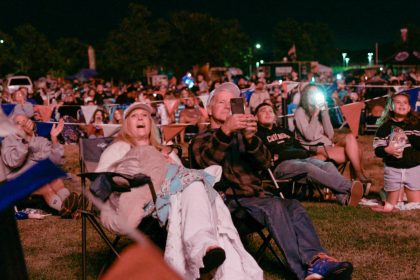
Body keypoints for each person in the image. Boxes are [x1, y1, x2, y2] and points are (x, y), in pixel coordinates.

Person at [192, 82, 353, 280]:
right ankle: (303, 271)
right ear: (209, 109)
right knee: (274, 206)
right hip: (229, 204)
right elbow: (206, 161)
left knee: (294, 206)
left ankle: (316, 259)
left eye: (231, 102)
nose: (227, 106)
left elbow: (266, 162)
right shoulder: (201, 139)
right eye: (221, 102)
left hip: (256, 197)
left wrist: (251, 139)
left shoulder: (243, 137)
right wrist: (225, 131)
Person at [95, 103, 263, 280]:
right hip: (146, 202)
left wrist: (170, 163)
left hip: (177, 196)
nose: (140, 118)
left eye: (144, 116)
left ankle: (206, 247)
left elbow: (183, 175)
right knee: (195, 185)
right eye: (134, 115)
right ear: (126, 124)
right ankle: (201, 248)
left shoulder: (165, 148)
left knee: (196, 185)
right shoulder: (118, 148)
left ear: (151, 123)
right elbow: (101, 181)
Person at [254, 102, 363, 206]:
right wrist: (280, 156)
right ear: (255, 117)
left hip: (301, 159)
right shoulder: (256, 135)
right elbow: (264, 156)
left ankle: (344, 198)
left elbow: (298, 146)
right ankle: (349, 187)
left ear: (275, 116)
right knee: (308, 167)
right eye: (263, 111)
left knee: (327, 165)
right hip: (281, 165)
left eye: (270, 111)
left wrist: (309, 155)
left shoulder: (285, 131)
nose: (268, 113)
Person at [294, 84, 372, 188]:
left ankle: (357, 181)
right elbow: (309, 136)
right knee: (356, 152)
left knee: (350, 137)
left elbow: (330, 134)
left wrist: (324, 112)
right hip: (313, 148)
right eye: (311, 93)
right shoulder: (300, 112)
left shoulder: (319, 110)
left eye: (316, 94)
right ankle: (358, 178)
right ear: (305, 96)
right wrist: (315, 115)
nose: (313, 96)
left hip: (328, 145)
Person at [1, 114, 78, 216]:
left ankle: (70, 205)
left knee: (56, 180)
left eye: (25, 121)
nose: (23, 125)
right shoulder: (8, 141)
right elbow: (13, 162)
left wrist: (54, 139)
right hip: (18, 181)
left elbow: (56, 161)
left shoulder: (39, 140)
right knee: (44, 186)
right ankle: (67, 210)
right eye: (19, 123)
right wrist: (25, 140)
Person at [372, 92, 420, 212]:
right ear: (391, 107)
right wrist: (387, 150)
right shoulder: (385, 127)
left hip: (413, 168)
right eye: (397, 102)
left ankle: (401, 193)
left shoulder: (416, 125)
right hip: (393, 168)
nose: (401, 105)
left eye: (405, 103)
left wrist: (408, 135)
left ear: (409, 107)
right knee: (390, 206)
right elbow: (377, 150)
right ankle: (388, 193)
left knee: (415, 205)